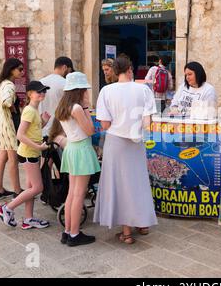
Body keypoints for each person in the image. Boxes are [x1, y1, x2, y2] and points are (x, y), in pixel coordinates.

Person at [95, 56, 157, 244]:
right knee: (138, 183)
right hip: (135, 142)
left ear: (114, 70)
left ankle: (126, 232)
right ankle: (142, 224)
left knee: (120, 185)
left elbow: (104, 124)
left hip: (115, 142)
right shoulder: (143, 90)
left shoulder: (106, 91)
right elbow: (148, 122)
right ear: (130, 69)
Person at [0, 81, 51, 229]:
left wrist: (43, 122)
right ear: (30, 94)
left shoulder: (33, 110)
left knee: (30, 187)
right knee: (38, 187)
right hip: (28, 154)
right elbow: (20, 135)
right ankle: (7, 208)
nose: (42, 93)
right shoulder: (29, 111)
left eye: (44, 91)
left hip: (31, 153)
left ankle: (28, 219)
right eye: (39, 91)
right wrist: (39, 146)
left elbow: (32, 131)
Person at [56, 72, 100, 247]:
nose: (87, 92)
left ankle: (67, 231)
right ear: (79, 90)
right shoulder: (77, 108)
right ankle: (74, 234)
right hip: (81, 149)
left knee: (72, 193)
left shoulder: (63, 107)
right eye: (85, 90)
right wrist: (87, 109)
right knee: (79, 194)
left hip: (72, 149)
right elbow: (90, 130)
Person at [0, 58, 24, 201]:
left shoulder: (0, 84)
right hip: (9, 127)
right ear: (12, 69)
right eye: (20, 69)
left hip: (2, 125)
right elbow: (6, 101)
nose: (22, 72)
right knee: (13, 159)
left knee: (2, 158)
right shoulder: (9, 85)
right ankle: (17, 191)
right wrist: (13, 107)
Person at [38, 56, 74, 137]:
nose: (69, 74)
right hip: (59, 130)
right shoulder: (66, 83)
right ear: (65, 67)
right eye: (70, 71)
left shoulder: (40, 82)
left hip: (42, 129)